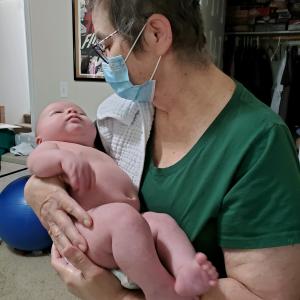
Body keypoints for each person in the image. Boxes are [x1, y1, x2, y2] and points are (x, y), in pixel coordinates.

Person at [25, 0, 300, 299]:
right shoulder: (126, 115)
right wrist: (38, 189)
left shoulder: (259, 143)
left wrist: (119, 298)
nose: (105, 58)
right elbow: (70, 160)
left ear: (156, 34)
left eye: (107, 42)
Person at [27, 100, 218, 300]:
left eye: (81, 112)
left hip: (129, 224)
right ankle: (160, 288)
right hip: (88, 228)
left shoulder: (100, 150)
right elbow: (35, 164)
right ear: (40, 139)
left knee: (162, 221)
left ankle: (186, 269)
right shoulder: (52, 147)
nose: (71, 110)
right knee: (124, 218)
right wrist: (62, 159)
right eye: (57, 112)